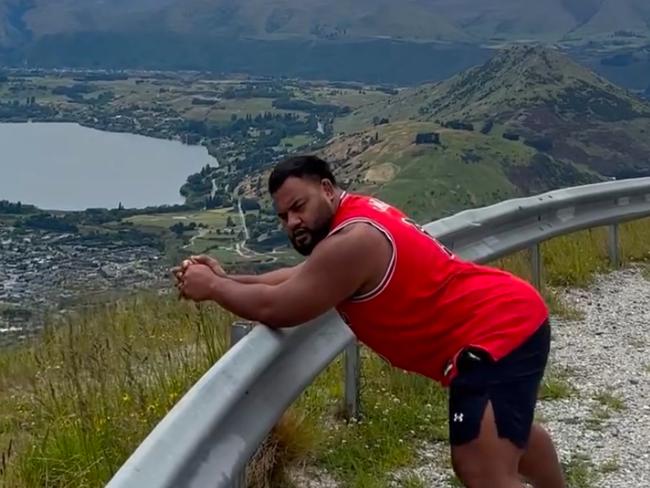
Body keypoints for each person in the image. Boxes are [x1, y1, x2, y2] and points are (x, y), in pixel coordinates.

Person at [173, 155, 566, 488]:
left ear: (327, 189)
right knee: (508, 432)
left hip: (495, 333)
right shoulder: (353, 219)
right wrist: (224, 280)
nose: (292, 222)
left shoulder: (353, 241)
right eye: (283, 217)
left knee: (479, 466)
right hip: (511, 315)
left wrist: (213, 288)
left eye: (299, 206)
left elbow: (281, 307)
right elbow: (297, 279)